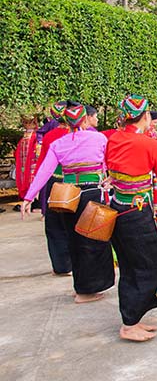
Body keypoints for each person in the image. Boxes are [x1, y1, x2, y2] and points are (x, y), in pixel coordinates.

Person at [21, 104, 115, 303]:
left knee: (74, 242)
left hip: (69, 197)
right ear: (84, 120)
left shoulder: (59, 143)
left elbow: (45, 172)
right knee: (95, 242)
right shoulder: (99, 138)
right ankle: (87, 291)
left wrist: (29, 197)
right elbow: (111, 162)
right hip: (92, 194)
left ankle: (80, 287)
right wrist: (112, 178)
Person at [106, 95, 157, 342]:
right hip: (138, 212)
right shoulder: (148, 144)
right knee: (147, 265)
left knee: (129, 265)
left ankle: (132, 318)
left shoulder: (113, 139)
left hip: (118, 207)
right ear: (145, 116)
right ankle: (129, 323)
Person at [35, 100, 72, 275]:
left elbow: (43, 165)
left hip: (54, 183)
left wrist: (34, 190)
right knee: (74, 223)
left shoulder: (49, 136)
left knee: (54, 226)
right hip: (75, 183)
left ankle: (60, 266)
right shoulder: (85, 134)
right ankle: (75, 263)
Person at [14, 115, 39, 211]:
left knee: (33, 183)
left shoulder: (35, 136)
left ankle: (35, 204)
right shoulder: (25, 137)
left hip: (32, 164)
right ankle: (31, 204)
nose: (28, 125)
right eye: (26, 123)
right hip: (25, 165)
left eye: (30, 122)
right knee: (28, 183)